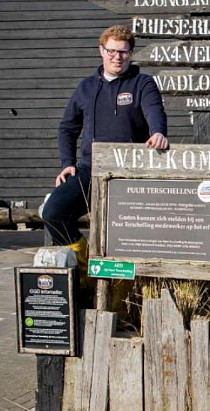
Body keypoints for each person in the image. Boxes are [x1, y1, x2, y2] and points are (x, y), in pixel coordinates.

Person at [42, 25, 169, 288]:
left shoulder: (142, 83)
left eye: (123, 52)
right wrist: (67, 164)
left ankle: (122, 293)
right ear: (102, 51)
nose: (117, 57)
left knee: (123, 236)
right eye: (112, 51)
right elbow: (67, 127)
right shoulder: (86, 87)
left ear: (131, 53)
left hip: (130, 172)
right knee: (53, 212)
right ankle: (86, 267)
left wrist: (157, 132)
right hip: (91, 168)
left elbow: (155, 111)